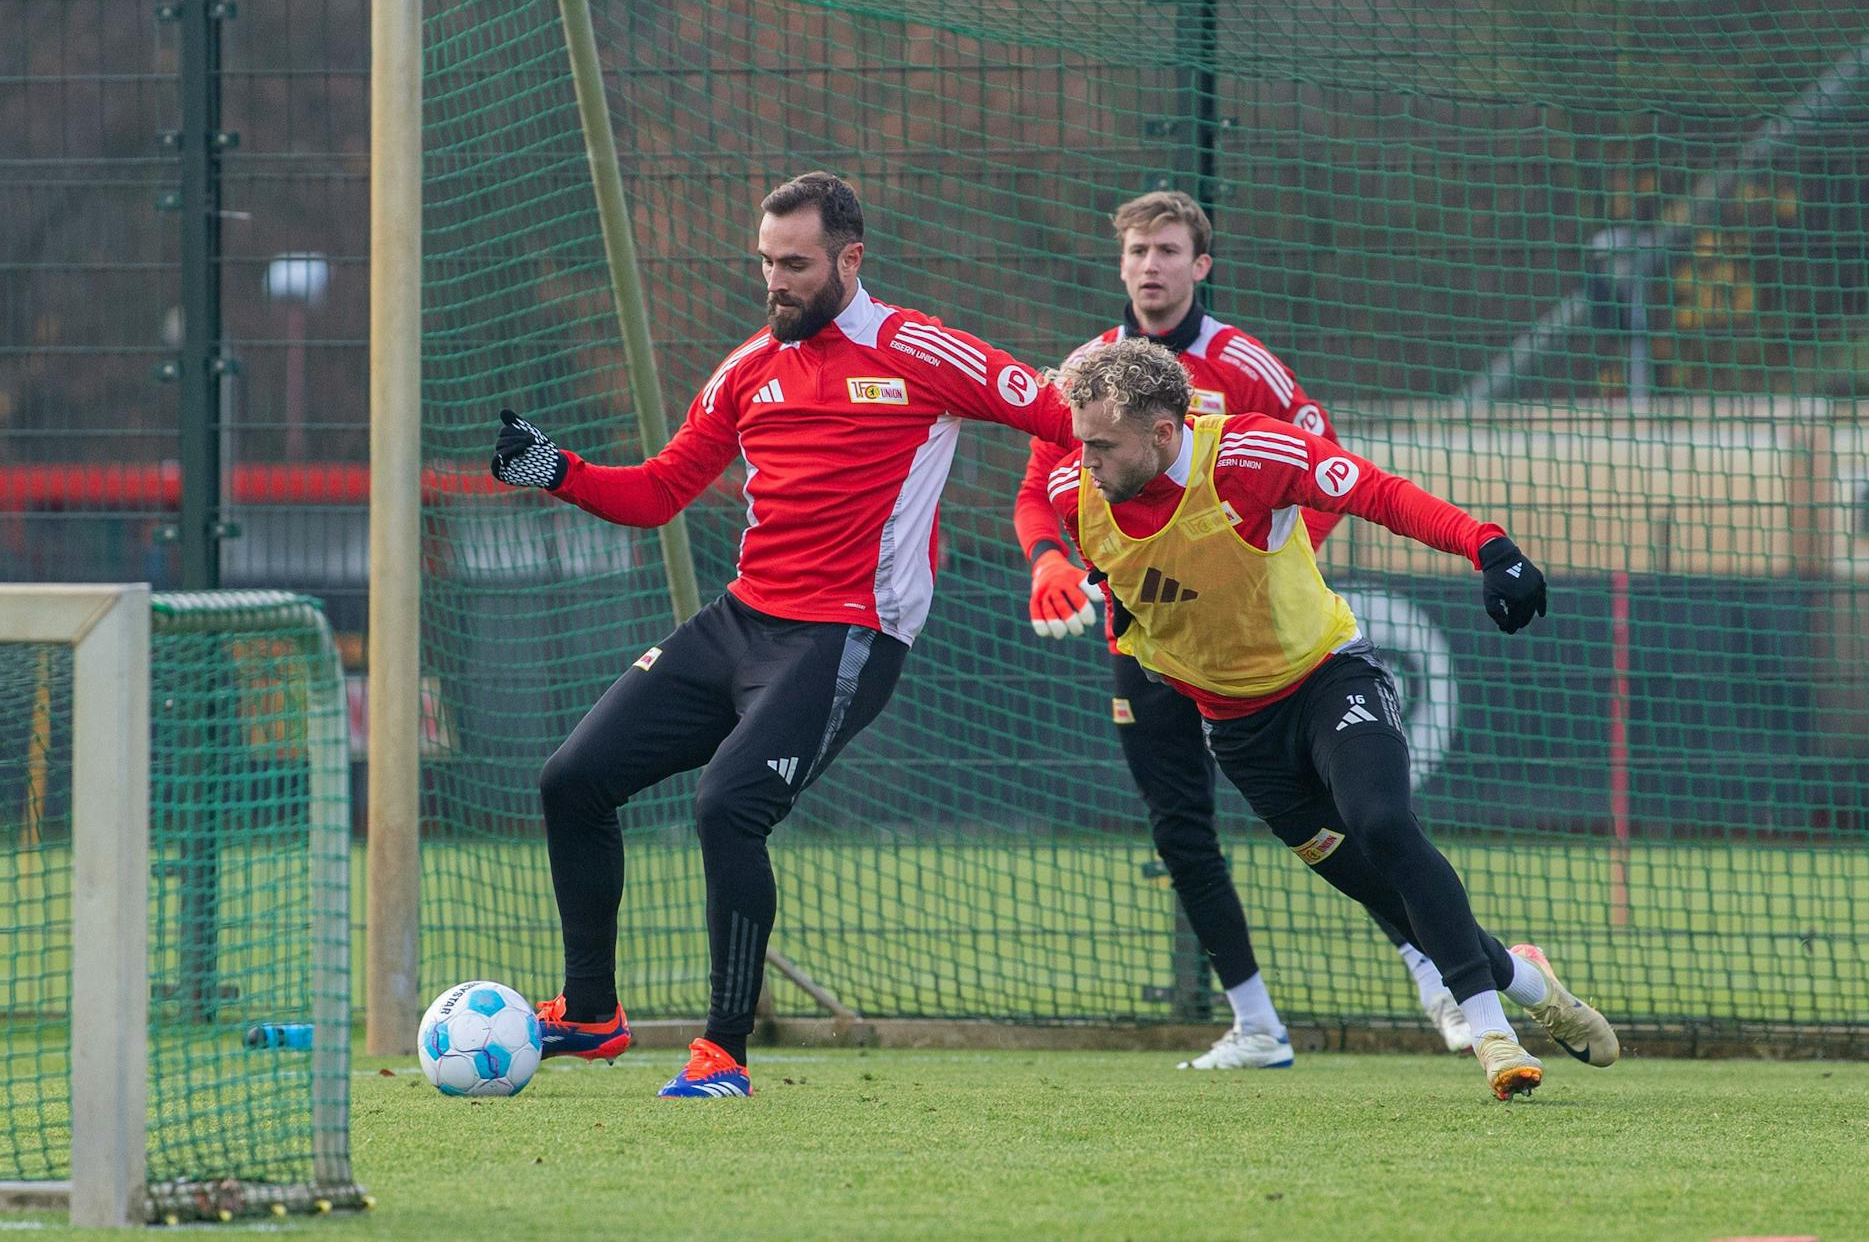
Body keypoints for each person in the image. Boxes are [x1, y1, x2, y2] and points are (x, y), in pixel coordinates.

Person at [490, 172, 1073, 1099]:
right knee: (572, 779)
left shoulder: (922, 348)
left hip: (844, 637)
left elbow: (1064, 418)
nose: (776, 282)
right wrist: (556, 468)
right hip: (741, 620)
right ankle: (592, 1013)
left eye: (795, 264)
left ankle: (722, 1051)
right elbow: (658, 492)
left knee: (728, 806)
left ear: (850, 258)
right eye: (766, 262)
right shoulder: (747, 366)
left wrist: (1053, 535)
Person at [1045, 336, 1618, 1099]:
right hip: (1240, 735)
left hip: (1326, 679)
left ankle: (1493, 1033)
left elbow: (1376, 493)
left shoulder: (1250, 455)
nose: (1086, 460)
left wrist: (1487, 545)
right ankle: (1525, 980)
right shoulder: (1074, 492)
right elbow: (1131, 591)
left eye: (1103, 445)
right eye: (1081, 442)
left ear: (1163, 433)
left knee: (1383, 823)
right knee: (1380, 888)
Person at [1012, 190, 1471, 1067]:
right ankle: (1255, 1021)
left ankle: (1436, 972)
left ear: (1201, 265)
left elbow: (1321, 467)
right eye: (1138, 249)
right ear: (1120, 265)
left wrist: (1261, 571)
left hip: (1261, 658)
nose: (1152, 265)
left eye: (1169, 249)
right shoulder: (1080, 371)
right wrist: (1048, 560)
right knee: (1177, 823)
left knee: (1351, 816)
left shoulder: (1244, 364)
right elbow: (1039, 490)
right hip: (1146, 646)